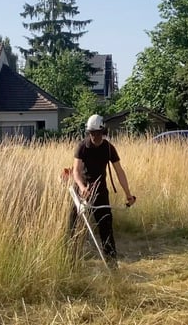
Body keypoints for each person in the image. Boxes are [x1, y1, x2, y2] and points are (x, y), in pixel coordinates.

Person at [69, 114, 136, 267]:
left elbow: (119, 171)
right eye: (92, 133)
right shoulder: (82, 147)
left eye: (99, 133)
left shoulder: (108, 148)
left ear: (103, 132)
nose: (96, 136)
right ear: (89, 133)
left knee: (106, 227)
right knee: (75, 228)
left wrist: (128, 194)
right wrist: (82, 187)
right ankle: (72, 263)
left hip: (100, 192)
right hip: (81, 191)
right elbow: (76, 171)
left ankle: (112, 265)